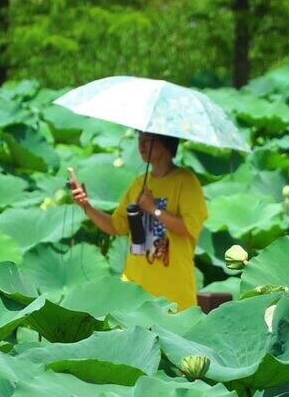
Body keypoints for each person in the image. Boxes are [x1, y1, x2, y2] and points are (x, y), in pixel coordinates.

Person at [70, 131, 208, 311]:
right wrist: (86, 206)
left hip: (173, 291)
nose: (141, 146)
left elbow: (189, 229)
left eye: (148, 141)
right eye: (140, 140)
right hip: (133, 288)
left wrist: (154, 209)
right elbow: (115, 227)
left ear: (166, 144)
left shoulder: (186, 182)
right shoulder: (139, 183)